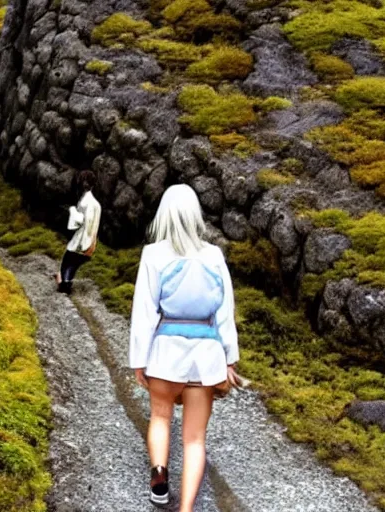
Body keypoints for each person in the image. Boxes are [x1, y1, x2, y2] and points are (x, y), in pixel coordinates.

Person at [129, 184, 240, 511]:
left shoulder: (153, 254)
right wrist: (229, 359)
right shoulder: (214, 255)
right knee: (194, 438)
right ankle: (186, 507)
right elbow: (224, 313)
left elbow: (144, 311)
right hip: (205, 356)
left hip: (165, 352)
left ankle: (159, 477)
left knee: (160, 417)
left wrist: (139, 359)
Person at [56, 170, 101, 295]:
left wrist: (72, 210)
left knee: (68, 260)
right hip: (90, 239)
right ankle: (65, 281)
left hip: (82, 238)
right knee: (74, 263)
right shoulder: (96, 203)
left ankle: (65, 284)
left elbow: (80, 220)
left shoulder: (86, 202)